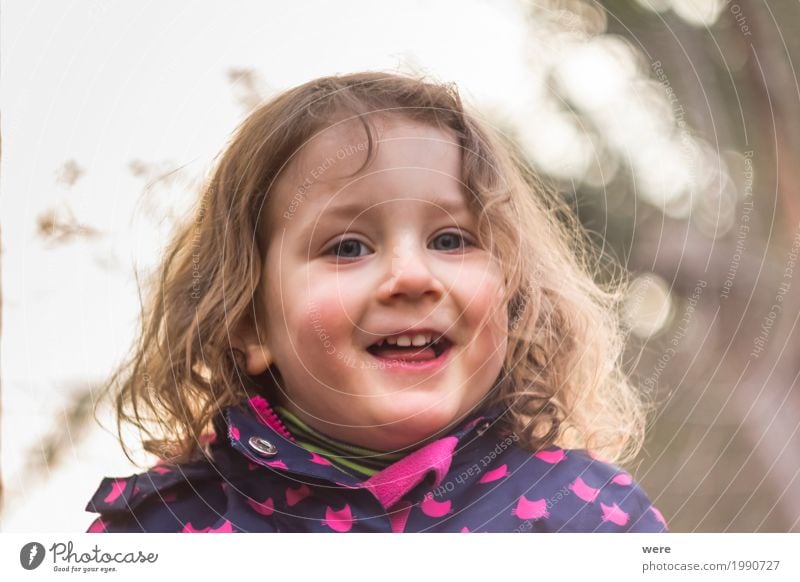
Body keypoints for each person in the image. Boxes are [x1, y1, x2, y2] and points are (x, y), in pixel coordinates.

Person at [86, 71, 667, 533]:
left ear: (513, 298)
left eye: (450, 239)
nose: (412, 276)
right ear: (248, 322)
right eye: (348, 247)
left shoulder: (585, 517)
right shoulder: (162, 532)